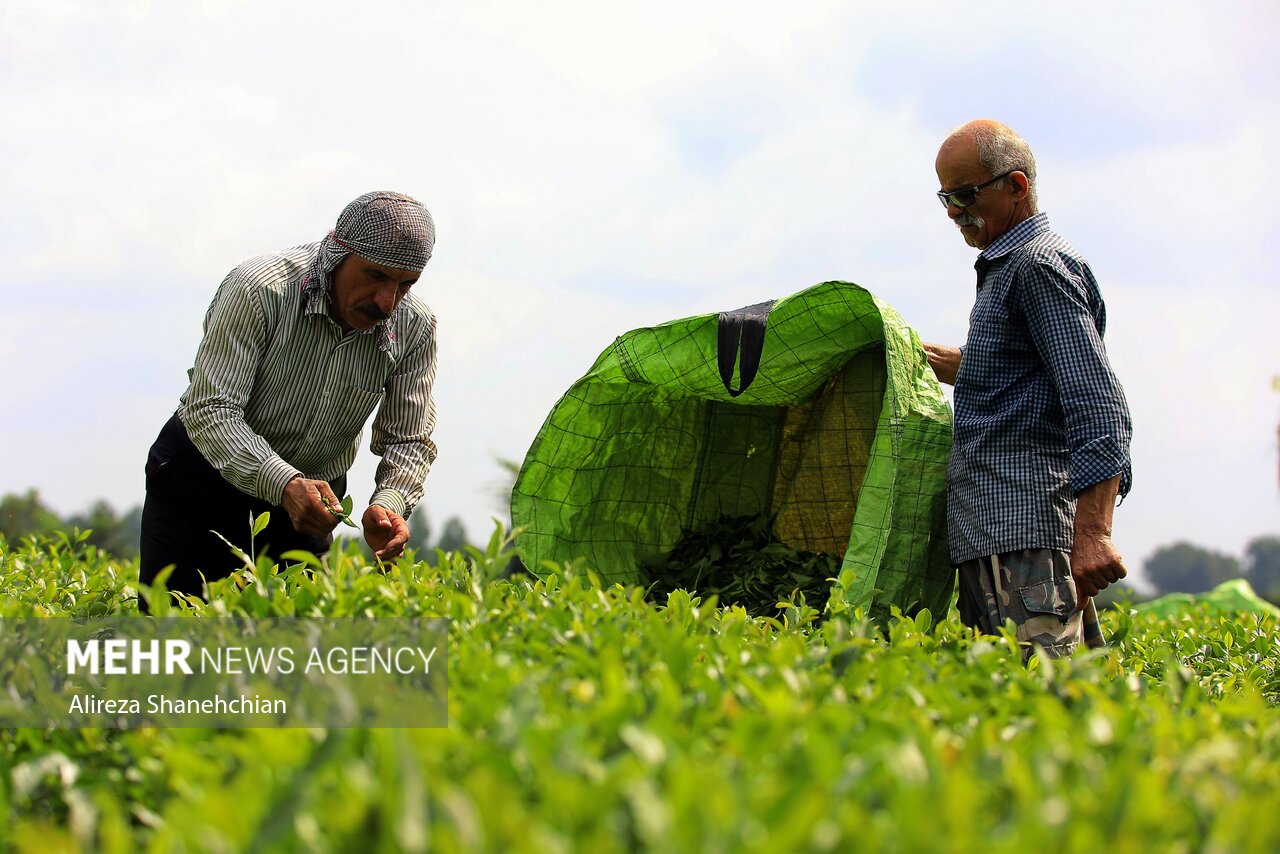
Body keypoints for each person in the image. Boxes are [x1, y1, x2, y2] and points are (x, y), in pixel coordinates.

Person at [140, 191, 439, 603]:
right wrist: (284, 483)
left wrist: (389, 504)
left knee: (290, 633)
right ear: (337, 255)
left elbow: (409, 438)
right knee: (174, 623)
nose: (386, 302)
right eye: (375, 276)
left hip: (311, 505)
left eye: (405, 284)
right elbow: (211, 409)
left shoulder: (415, 327)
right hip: (202, 481)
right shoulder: (259, 290)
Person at [922, 120, 1133, 659]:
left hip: (1025, 534)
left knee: (1042, 695)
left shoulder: (1038, 266)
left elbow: (1098, 402)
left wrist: (1093, 532)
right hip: (989, 532)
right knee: (1003, 696)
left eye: (965, 195)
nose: (953, 212)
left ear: (1015, 186)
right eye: (946, 197)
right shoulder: (1007, 267)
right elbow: (1009, 374)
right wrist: (912, 353)